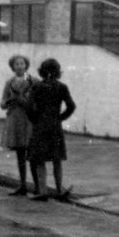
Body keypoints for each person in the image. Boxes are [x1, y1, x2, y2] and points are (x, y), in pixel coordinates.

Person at [27, 58, 76, 201]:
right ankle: (59, 190)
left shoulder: (36, 87)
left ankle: (42, 191)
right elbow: (71, 106)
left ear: (42, 72)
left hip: (40, 126)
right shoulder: (62, 87)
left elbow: (29, 107)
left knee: (39, 160)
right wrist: (61, 118)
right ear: (57, 72)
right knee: (57, 159)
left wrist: (35, 119)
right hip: (55, 126)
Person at [0, 54, 37, 196]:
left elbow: (38, 99)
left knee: (32, 153)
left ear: (26, 65)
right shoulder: (9, 82)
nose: (20, 66)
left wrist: (27, 101)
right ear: (13, 67)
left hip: (29, 119)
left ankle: (38, 186)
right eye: (17, 64)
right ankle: (23, 185)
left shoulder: (33, 81)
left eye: (22, 64)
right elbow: (2, 102)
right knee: (20, 153)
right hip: (15, 118)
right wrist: (9, 101)